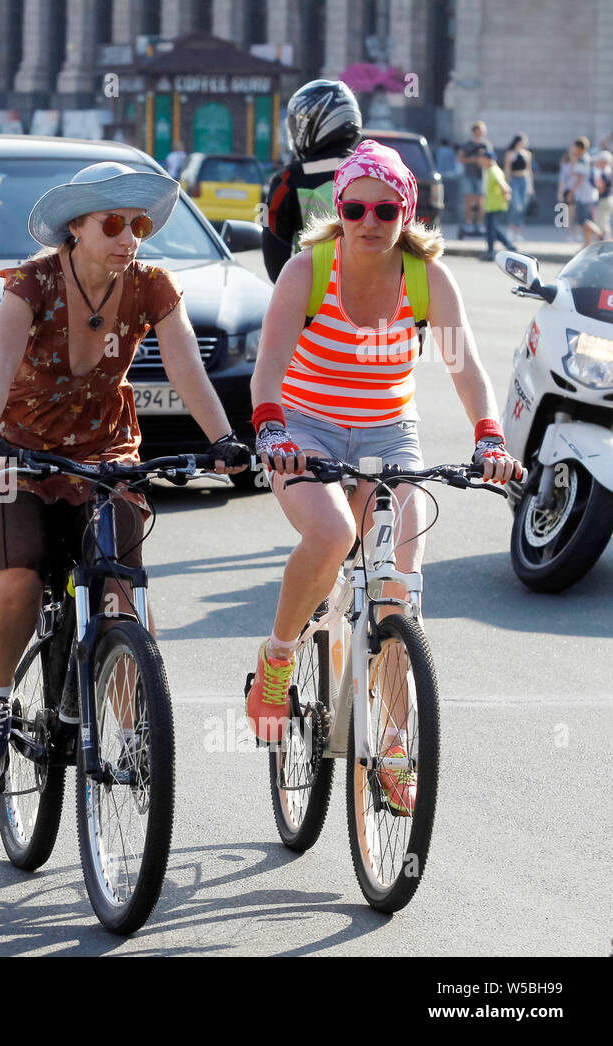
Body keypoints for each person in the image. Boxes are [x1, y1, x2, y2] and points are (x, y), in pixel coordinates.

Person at [0, 161, 251, 766]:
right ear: (76, 227)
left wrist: (225, 440)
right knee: (21, 569)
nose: (130, 238)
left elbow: (187, 366)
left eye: (138, 224)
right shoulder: (31, 284)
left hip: (106, 447)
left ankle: (137, 729)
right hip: (21, 445)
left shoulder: (152, 285)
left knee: (120, 587)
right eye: (114, 224)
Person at [244, 139, 522, 815]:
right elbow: (267, 372)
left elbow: (466, 368)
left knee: (396, 593)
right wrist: (274, 431)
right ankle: (278, 661)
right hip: (303, 429)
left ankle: (394, 744)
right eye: (358, 207)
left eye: (386, 208)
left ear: (407, 211)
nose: (371, 220)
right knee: (332, 533)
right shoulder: (308, 272)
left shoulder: (426, 278)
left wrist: (490, 436)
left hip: (389, 434)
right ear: (339, 210)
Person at [262, 79, 363, 282]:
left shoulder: (288, 179)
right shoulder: (381, 171)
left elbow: (275, 258)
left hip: (317, 302)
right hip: (383, 300)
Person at [478, 149, 518, 260]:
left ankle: (491, 252)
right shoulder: (491, 170)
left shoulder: (493, 171)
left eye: (482, 158)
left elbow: (504, 186)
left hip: (495, 205)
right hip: (492, 204)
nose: (480, 161)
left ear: (488, 159)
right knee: (492, 228)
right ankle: (508, 244)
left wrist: (506, 194)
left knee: (490, 229)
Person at [456, 121, 491, 237]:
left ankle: (480, 223)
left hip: (481, 176)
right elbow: (460, 159)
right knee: (469, 201)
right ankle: (468, 223)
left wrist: (483, 162)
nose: (481, 133)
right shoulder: (467, 145)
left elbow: (491, 160)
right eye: (479, 130)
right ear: (474, 131)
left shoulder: (486, 145)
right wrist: (474, 159)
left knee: (480, 201)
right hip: (469, 175)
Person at [567, 137, 603, 247]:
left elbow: (578, 178)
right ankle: (586, 245)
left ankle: (599, 233)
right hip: (591, 194)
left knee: (582, 220)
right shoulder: (589, 159)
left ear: (579, 147)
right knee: (587, 220)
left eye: (574, 146)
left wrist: (571, 193)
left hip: (583, 195)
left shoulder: (582, 160)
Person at [502, 133, 533, 241]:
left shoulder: (527, 154)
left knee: (523, 207)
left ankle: (518, 232)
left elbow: (529, 170)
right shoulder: (510, 154)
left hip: (524, 180)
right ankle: (510, 229)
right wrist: (506, 184)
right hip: (514, 180)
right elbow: (507, 169)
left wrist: (531, 186)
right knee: (515, 205)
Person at [592, 151, 613, 241]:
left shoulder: (603, 174)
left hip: (604, 200)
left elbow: (601, 189)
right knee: (606, 223)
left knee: (601, 224)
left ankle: (605, 243)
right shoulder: (610, 172)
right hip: (610, 199)